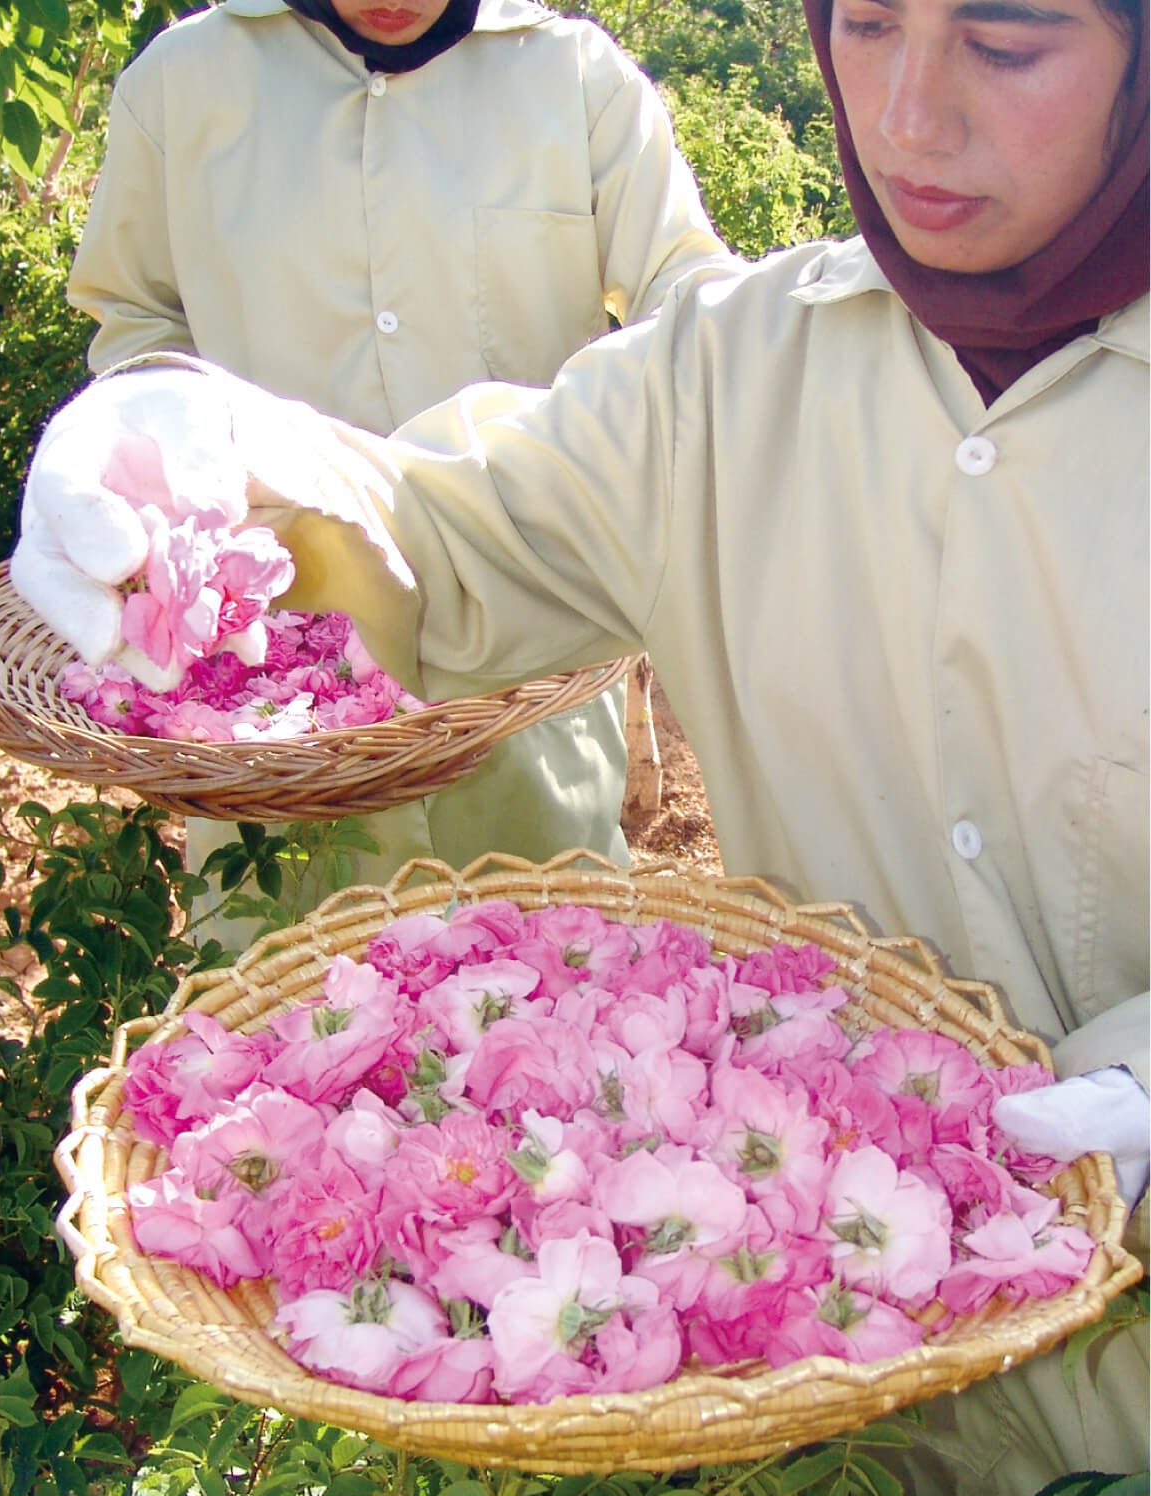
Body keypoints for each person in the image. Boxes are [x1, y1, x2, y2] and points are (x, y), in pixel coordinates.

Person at [13, 0, 1149, 1496]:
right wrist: (216, 445)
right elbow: (451, 532)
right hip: (828, 1432)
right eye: (871, 26)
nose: (904, 120)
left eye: (1007, 48)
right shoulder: (734, 376)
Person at [60, 0, 737, 934]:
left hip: (522, 686)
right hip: (275, 706)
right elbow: (132, 319)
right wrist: (175, 444)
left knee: (553, 1016)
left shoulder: (576, 80)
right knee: (284, 1027)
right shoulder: (181, 89)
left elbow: (689, 301)